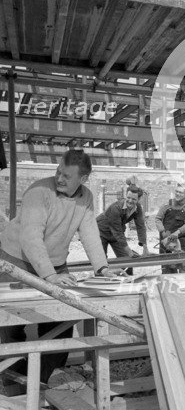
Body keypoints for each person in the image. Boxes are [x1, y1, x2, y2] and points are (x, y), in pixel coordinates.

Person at [0, 150, 114, 390]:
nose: (59, 178)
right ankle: (14, 383)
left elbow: (90, 233)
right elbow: (31, 236)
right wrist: (50, 276)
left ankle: (41, 381)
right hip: (15, 260)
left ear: (82, 180)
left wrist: (102, 268)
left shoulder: (86, 198)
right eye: (58, 172)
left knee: (60, 320)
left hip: (54, 263)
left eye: (67, 176)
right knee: (11, 323)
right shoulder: (38, 191)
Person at [97, 184, 150, 263]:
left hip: (115, 234)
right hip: (100, 231)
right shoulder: (115, 208)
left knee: (127, 260)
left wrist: (145, 246)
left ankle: (127, 274)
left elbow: (141, 226)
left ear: (138, 199)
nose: (130, 201)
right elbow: (117, 232)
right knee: (101, 262)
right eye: (128, 198)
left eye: (134, 199)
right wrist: (129, 251)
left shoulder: (138, 207)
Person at [155, 184, 185, 273]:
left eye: (180, 192)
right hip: (166, 240)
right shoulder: (167, 204)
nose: (177, 194)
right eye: (176, 191)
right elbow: (158, 218)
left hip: (181, 240)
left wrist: (177, 233)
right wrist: (162, 232)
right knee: (167, 269)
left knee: (184, 267)